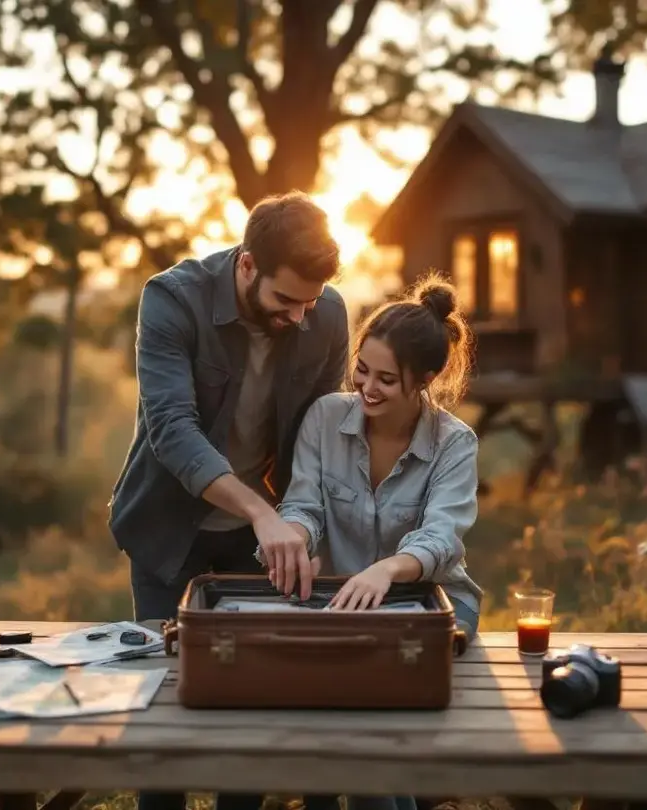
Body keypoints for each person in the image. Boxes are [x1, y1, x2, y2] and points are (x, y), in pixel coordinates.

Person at [107, 190, 350, 810]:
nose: (300, 317)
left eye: (311, 303)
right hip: (169, 530)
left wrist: (303, 525)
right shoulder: (171, 299)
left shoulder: (326, 315)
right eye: (285, 301)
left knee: (248, 703)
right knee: (162, 708)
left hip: (258, 541)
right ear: (247, 266)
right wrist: (263, 513)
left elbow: (315, 438)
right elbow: (172, 429)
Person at [271, 274, 483, 810]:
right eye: (361, 370)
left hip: (429, 605)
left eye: (387, 380)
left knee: (366, 708)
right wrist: (292, 538)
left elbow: (440, 538)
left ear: (426, 379)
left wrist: (386, 571)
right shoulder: (324, 418)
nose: (367, 388)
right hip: (341, 601)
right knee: (337, 702)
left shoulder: (455, 443)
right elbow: (302, 505)